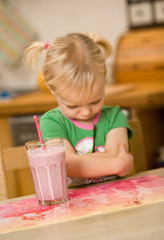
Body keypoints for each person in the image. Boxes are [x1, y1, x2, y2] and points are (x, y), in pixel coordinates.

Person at [23, 32, 133, 186]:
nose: (86, 112)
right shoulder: (51, 122)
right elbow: (66, 164)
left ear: (104, 77)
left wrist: (78, 163)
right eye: (73, 106)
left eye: (95, 101)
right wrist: (117, 165)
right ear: (52, 90)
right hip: (74, 205)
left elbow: (113, 153)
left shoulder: (115, 116)